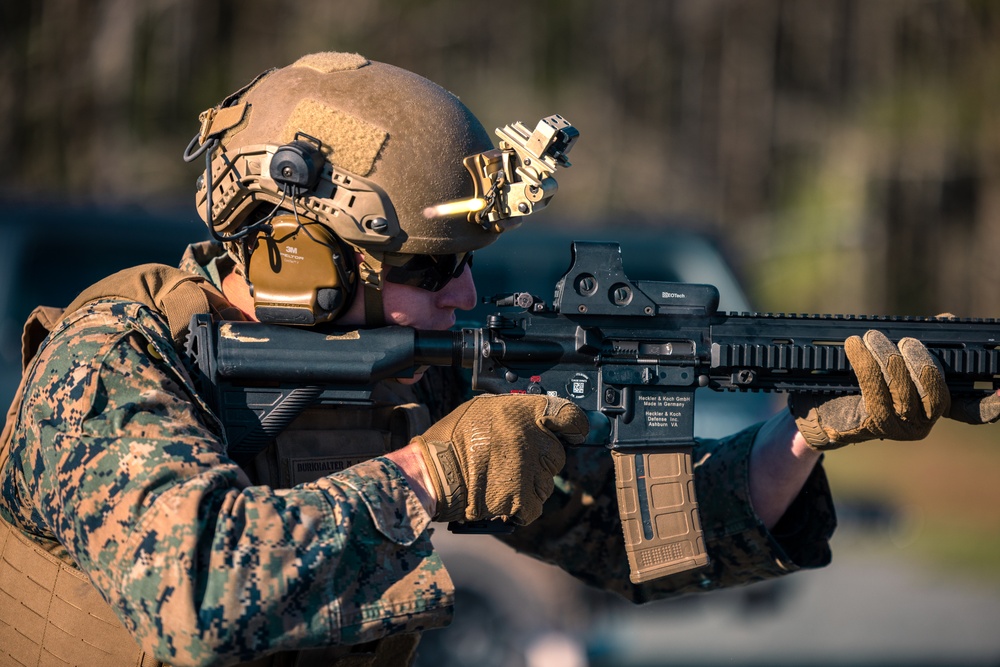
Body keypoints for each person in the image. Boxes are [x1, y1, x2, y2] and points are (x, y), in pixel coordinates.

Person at [0, 51, 996, 667]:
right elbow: (195, 594)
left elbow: (622, 539)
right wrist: (432, 473)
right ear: (297, 252)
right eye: (432, 266)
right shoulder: (112, 364)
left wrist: (803, 432)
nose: (466, 295)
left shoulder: (413, 373)